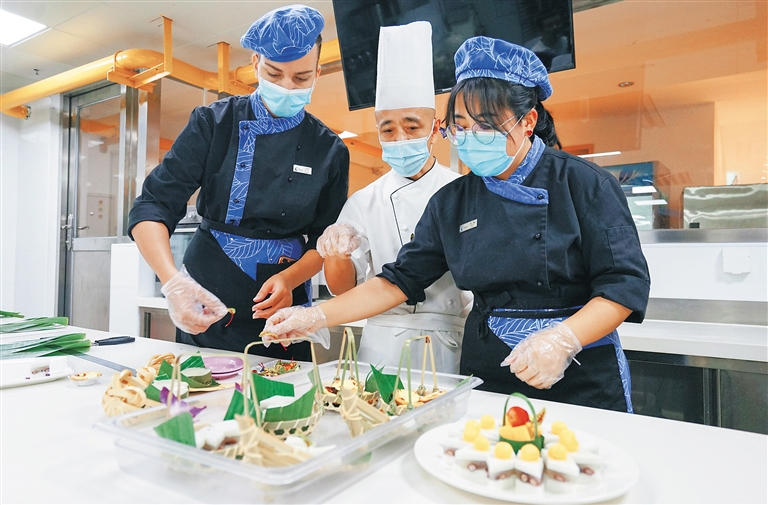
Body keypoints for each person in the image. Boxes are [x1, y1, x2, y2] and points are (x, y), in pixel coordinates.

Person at [262, 36, 650, 413]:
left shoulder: (584, 183)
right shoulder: (453, 201)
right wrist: (314, 315)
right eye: (461, 126)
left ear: (528, 121)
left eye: (485, 125)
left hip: (580, 365)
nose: (469, 137)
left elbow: (623, 285)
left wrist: (563, 340)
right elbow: (398, 281)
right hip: (491, 364)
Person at [128, 5, 349, 360]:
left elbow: (324, 240)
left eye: (301, 78)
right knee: (205, 386)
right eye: (274, 74)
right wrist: (172, 282)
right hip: (208, 296)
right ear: (256, 62)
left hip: (286, 309)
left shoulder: (329, 150)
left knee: (286, 389)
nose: (286, 87)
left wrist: (290, 279)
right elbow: (153, 205)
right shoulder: (213, 123)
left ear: (318, 73)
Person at [316, 21, 469, 373]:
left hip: (451, 342)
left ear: (435, 129)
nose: (400, 138)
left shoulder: (462, 191)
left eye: (412, 127)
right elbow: (342, 289)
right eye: (388, 129)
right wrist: (335, 254)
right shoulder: (363, 201)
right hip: (381, 347)